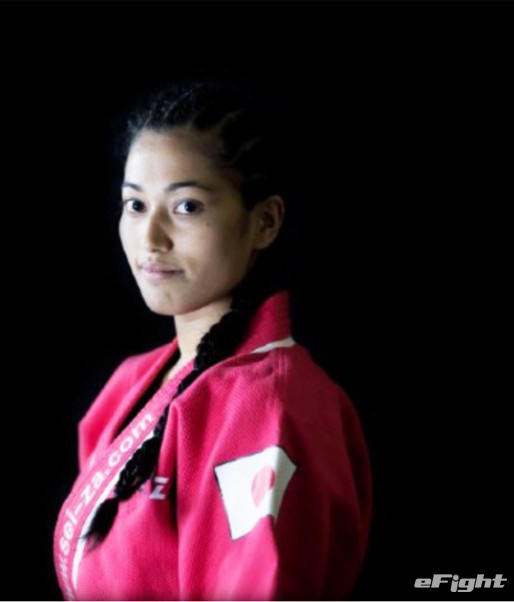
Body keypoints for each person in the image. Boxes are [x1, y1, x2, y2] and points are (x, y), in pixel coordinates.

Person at [52, 80, 373, 601]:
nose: (150, 238)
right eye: (135, 205)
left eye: (187, 207)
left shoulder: (272, 410)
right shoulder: (134, 381)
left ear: (264, 222)